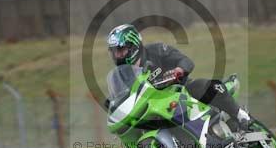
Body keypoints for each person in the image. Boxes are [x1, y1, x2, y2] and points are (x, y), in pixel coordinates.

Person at [106, 24, 255, 131]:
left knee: (207, 86)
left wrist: (179, 69)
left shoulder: (157, 50)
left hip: (181, 91)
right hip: (153, 106)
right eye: (113, 52)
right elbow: (124, 95)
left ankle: (241, 116)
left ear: (133, 46)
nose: (117, 55)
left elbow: (186, 61)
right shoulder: (121, 74)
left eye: (120, 50)